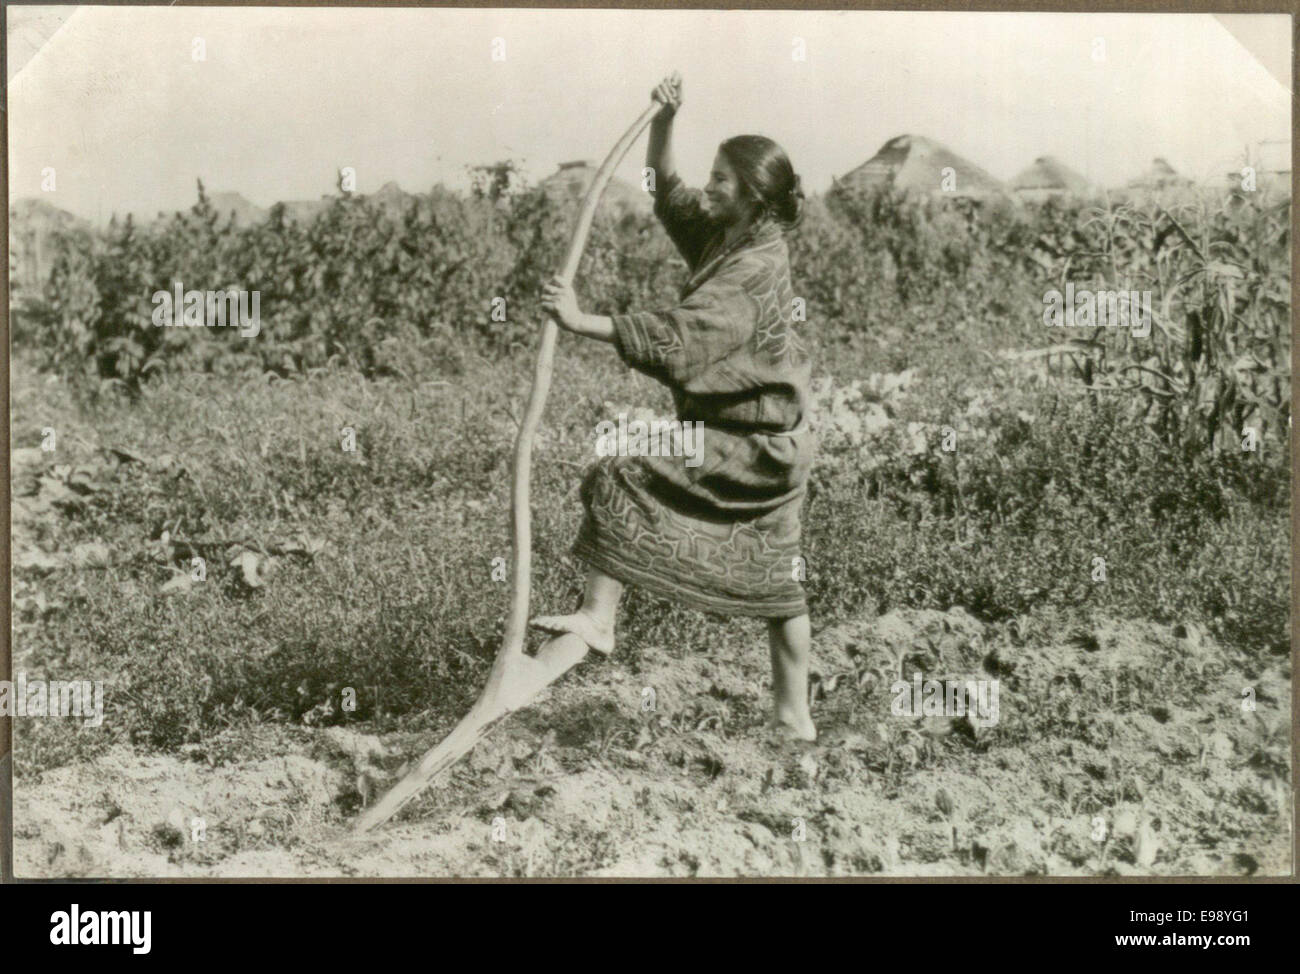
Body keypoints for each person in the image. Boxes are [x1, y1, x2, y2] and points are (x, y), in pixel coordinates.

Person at [535, 72, 817, 741]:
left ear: (750, 195)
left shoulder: (754, 268)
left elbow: (680, 339)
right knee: (780, 582)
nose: (709, 188)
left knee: (620, 475)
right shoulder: (732, 237)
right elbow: (670, 196)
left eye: (722, 180)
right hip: (773, 439)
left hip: (755, 445)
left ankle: (599, 618)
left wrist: (582, 320)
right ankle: (794, 716)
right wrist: (666, 120)